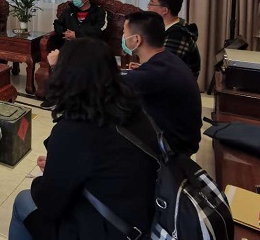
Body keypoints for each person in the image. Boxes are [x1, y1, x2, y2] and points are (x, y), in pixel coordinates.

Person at [9, 38, 158, 239]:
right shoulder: (134, 110)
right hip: (145, 220)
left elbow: (49, 204)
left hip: (107, 230)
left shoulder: (74, 130)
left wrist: (47, 176)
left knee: (23, 201)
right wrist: (61, 166)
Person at [121, 11, 202, 156]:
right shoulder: (166, 59)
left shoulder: (153, 73)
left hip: (172, 148)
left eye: (124, 32)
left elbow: (108, 87)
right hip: (183, 139)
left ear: (137, 40)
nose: (123, 37)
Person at [40, 0, 109, 108]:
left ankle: (80, 100)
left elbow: (100, 30)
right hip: (70, 46)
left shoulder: (99, 12)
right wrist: (65, 33)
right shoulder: (69, 10)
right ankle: (54, 98)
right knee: (56, 60)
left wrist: (77, 34)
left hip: (90, 47)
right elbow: (57, 24)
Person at [147, 0, 201, 77]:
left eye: (151, 4)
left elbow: (163, 66)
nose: (148, 7)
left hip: (176, 83)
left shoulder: (178, 34)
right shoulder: (167, 29)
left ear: (165, 10)